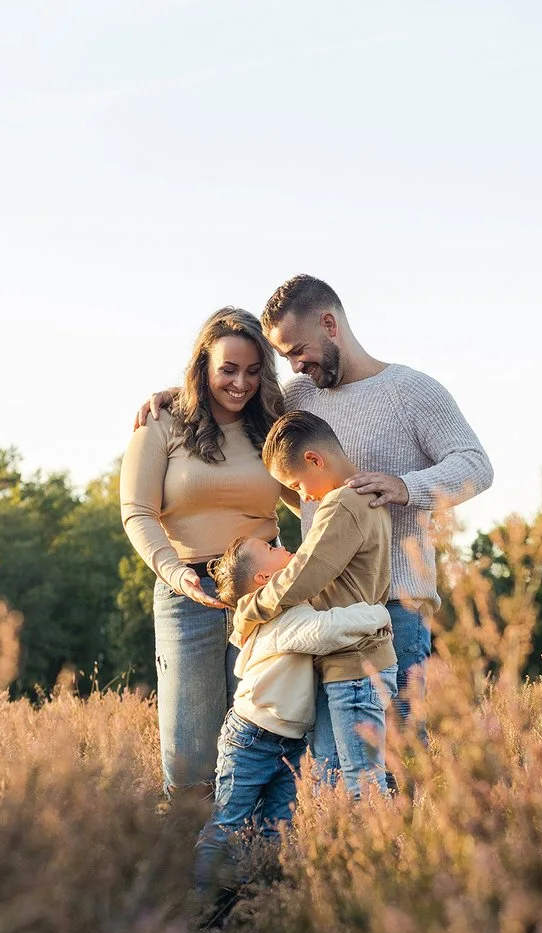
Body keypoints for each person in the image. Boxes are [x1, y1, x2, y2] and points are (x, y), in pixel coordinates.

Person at [140, 275, 494, 737]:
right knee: (330, 758)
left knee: (400, 751)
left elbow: (475, 465)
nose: (294, 365)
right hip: (321, 613)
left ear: (329, 324)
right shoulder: (298, 396)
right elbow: (238, 399)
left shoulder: (412, 391)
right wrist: (179, 396)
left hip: (397, 605)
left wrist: (404, 486)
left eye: (297, 350)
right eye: (285, 357)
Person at [117, 307, 291, 804]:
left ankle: (257, 848)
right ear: (202, 366)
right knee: (190, 754)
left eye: (253, 371)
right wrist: (175, 573)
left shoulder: (272, 427)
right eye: (228, 370)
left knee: (263, 739)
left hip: (263, 593)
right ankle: (190, 848)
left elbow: (310, 490)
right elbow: (137, 511)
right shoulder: (161, 422)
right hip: (186, 594)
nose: (241, 383)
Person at [191, 534, 391, 894]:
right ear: (265, 579)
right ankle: (201, 899)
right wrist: (377, 613)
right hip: (251, 739)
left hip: (288, 743)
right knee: (229, 821)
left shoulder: (286, 609)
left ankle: (261, 893)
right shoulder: (282, 618)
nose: (282, 547)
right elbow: (327, 629)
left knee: (277, 825)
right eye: (271, 549)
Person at [230, 411, 398, 795]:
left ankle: (371, 837)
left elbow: (303, 573)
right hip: (351, 661)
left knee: (360, 784)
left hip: (354, 664)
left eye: (296, 484)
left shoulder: (342, 504)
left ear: (314, 460)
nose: (302, 497)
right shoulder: (365, 497)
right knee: (336, 778)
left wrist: (249, 610)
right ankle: (334, 836)